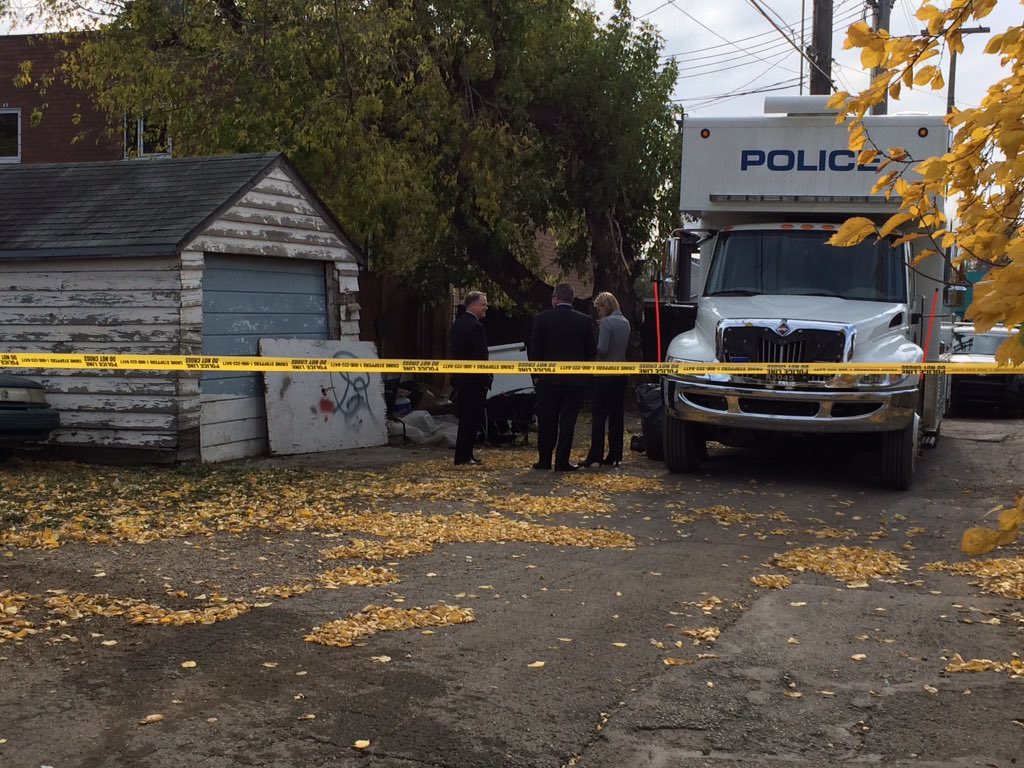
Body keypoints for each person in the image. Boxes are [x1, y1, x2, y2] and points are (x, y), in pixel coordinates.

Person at [528, 283, 596, 471]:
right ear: (571, 299)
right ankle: (562, 461)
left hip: (547, 381)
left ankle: (544, 460)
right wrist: (586, 377)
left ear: (556, 299)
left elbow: (535, 350)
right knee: (568, 422)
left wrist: (536, 375)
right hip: (574, 382)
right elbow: (591, 351)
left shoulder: (542, 319)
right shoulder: (584, 321)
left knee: (546, 420)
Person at [583, 292, 631, 468]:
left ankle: (595, 454)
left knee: (599, 415)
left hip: (604, 374)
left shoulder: (606, 323)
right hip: (621, 373)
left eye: (599, 308)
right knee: (616, 416)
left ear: (606, 306)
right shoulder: (625, 322)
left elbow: (602, 349)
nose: (598, 312)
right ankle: (615, 454)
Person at [449, 291, 490, 466]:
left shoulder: (457, 325)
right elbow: (481, 357)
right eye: (483, 304)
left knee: (465, 418)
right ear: (473, 305)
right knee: (472, 419)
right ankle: (465, 455)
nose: (486, 307)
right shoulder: (476, 327)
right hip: (475, 381)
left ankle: (463, 454)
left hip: (461, 379)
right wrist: (487, 377)